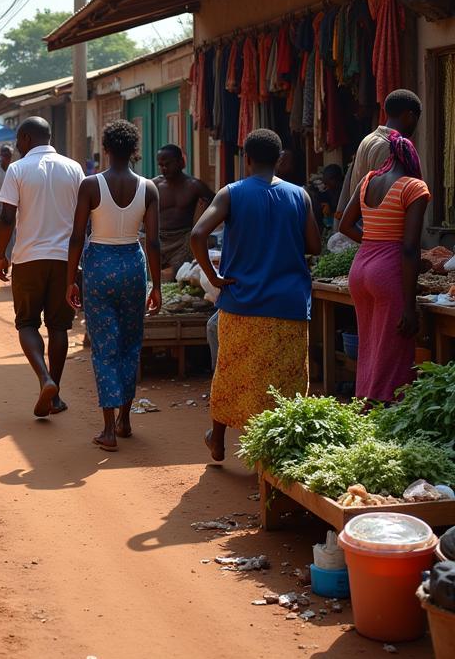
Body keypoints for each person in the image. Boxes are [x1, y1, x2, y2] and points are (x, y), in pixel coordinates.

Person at [191, 129, 321, 463]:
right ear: (280, 159)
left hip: (242, 302)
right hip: (290, 304)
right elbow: (314, 245)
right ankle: (281, 455)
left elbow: (198, 234)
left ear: (246, 158)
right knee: (286, 380)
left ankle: (217, 440)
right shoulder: (300, 196)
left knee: (231, 373)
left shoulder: (232, 193)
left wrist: (213, 276)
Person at [67, 121, 162, 451]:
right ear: (135, 149)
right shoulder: (149, 187)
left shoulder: (91, 185)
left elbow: (78, 236)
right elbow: (154, 242)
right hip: (133, 265)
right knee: (130, 343)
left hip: (99, 266)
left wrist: (70, 280)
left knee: (105, 346)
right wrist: (158, 286)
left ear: (105, 149)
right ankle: (125, 420)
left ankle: (107, 430)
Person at [0, 117, 84, 418]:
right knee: (59, 327)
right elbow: (83, 219)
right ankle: (55, 394)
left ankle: (44, 379)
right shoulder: (74, 169)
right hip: (65, 260)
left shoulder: (17, 169)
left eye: (19, 141)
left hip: (28, 258)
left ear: (25, 138)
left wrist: (0, 255)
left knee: (27, 323)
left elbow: (7, 217)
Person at [340, 130, 430, 402]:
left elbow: (344, 225)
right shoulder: (414, 187)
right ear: (413, 159)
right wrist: (409, 306)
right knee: (394, 352)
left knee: (370, 345)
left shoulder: (368, 180)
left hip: (361, 268)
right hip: (388, 271)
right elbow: (410, 248)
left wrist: (372, 242)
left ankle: (365, 405)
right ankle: (387, 416)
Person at [336, 89, 422, 224]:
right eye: (416, 120)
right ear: (410, 116)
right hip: (376, 232)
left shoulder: (369, 139)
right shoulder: (391, 147)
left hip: (362, 227)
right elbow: (385, 202)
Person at [154, 144, 213, 279]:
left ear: (181, 162)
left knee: (180, 271)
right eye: (160, 165)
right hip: (159, 238)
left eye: (167, 164)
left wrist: (204, 222)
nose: (164, 169)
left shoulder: (194, 186)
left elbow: (217, 204)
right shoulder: (155, 185)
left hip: (183, 240)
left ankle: (172, 273)